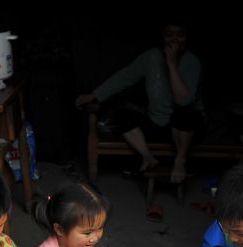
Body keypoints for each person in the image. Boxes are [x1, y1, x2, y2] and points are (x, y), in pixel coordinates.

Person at [76, 21, 203, 185]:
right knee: (122, 115)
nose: (174, 40)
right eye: (169, 35)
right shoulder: (152, 56)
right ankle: (147, 157)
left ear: (186, 38)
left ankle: (180, 159)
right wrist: (94, 95)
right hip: (157, 123)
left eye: (180, 35)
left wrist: (171, 64)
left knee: (185, 112)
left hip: (184, 130)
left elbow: (183, 101)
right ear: (162, 37)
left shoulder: (192, 62)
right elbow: (124, 77)